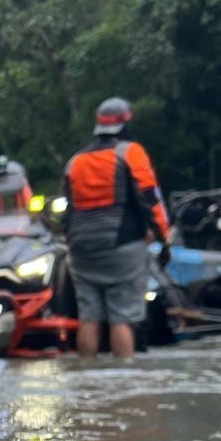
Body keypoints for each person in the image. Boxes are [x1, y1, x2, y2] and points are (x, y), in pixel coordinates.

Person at [61, 97, 172, 358]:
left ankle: (87, 372)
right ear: (125, 124)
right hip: (122, 248)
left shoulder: (75, 161)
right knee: (121, 318)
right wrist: (164, 239)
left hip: (81, 250)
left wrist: (71, 241)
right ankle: (123, 376)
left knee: (89, 318)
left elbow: (69, 211)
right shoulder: (131, 152)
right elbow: (150, 199)